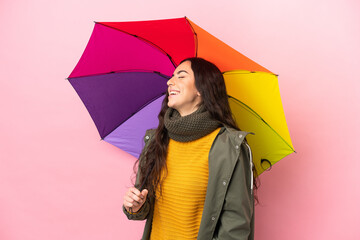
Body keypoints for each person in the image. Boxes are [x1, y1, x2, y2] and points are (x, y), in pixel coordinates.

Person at [122, 57, 256, 240]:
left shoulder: (228, 146)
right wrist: (135, 206)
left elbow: (236, 226)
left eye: (181, 76)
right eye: (171, 76)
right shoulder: (156, 140)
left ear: (202, 89)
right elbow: (144, 207)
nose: (170, 82)